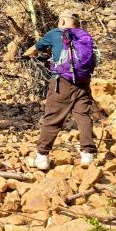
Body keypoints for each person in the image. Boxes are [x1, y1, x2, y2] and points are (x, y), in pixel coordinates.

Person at [23, 10, 97, 170]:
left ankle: (42, 156)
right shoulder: (84, 36)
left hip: (61, 82)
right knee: (83, 116)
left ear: (62, 22)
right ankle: (88, 154)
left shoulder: (55, 33)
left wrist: (25, 55)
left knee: (53, 117)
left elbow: (34, 49)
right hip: (83, 82)